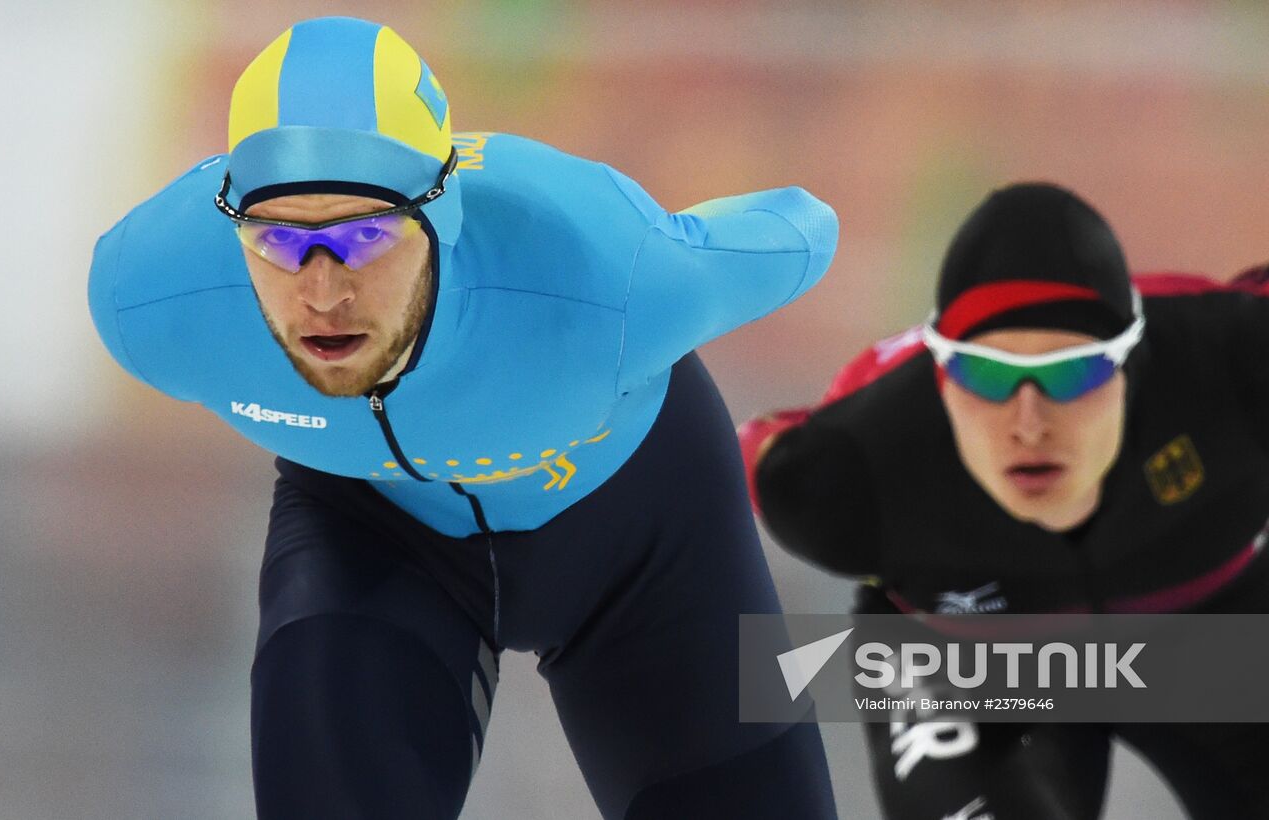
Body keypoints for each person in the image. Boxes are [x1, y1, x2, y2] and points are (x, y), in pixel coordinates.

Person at [88, 16, 840, 819]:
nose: (322, 292)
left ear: (441, 211)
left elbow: (801, 230)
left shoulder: (609, 276)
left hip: (641, 543)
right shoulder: (152, 300)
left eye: (366, 234)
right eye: (278, 240)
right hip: (373, 534)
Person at [738, 182, 1269, 819]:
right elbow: (739, 445)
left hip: (1221, 623)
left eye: (1073, 372)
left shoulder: (1250, 363)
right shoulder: (839, 478)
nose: (1028, 422)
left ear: (1132, 370)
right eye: (986, 374)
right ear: (941, 378)